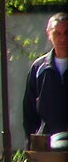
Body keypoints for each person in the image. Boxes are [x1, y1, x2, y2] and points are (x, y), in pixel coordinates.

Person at [22, 12, 68, 143]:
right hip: (47, 145)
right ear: (49, 34)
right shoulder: (39, 68)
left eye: (66, 32)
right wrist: (33, 144)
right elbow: (29, 111)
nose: (62, 38)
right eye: (57, 33)